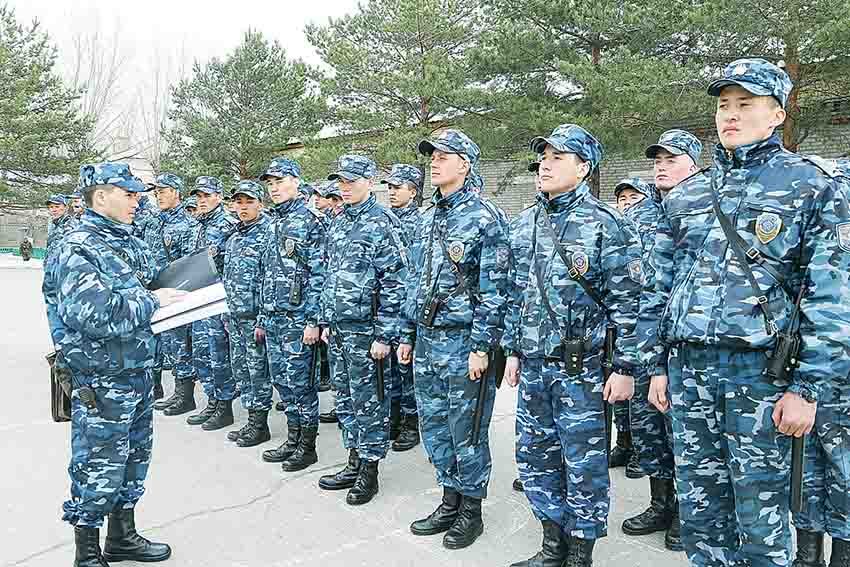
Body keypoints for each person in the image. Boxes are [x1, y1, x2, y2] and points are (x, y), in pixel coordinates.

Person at [639, 58, 850, 567]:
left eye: (745, 105)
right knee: (703, 515)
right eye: (723, 106)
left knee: (763, 519)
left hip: (760, 376)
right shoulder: (689, 194)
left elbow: (832, 298)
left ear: (777, 114)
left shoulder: (812, 185)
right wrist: (656, 365)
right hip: (689, 373)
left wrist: (808, 389)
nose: (729, 116)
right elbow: (659, 287)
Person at [501, 125, 641, 567]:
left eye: (559, 156)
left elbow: (630, 305)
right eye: (544, 154)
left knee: (584, 463)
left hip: (582, 370)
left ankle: (581, 553)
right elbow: (514, 293)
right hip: (535, 366)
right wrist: (513, 349)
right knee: (535, 456)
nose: (545, 162)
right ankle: (551, 547)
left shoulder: (607, 223)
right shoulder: (525, 223)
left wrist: (625, 367)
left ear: (584, 167)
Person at [53, 162, 185, 566]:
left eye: (137, 194)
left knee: (133, 457)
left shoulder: (127, 240)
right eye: (127, 194)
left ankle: (122, 536)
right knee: (98, 464)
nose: (136, 201)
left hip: (137, 367)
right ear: (100, 195)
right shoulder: (78, 246)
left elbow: (146, 285)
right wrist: (153, 301)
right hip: (101, 374)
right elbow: (91, 315)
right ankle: (87, 553)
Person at [398, 129, 510, 550]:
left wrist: (482, 346)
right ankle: (448, 499)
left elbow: (496, 289)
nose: (434, 161)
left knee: (467, 431)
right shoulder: (427, 218)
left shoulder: (485, 216)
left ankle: (470, 511)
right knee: (435, 425)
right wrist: (409, 332)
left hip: (464, 343)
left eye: (444, 156)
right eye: (432, 156)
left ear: (465, 163)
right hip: (427, 340)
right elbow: (416, 281)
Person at [621, 129, 703, 551]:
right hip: (644, 340)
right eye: (657, 159)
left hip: (687, 342)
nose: (662, 165)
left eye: (671, 158)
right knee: (649, 426)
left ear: (693, 163)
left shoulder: (705, 207)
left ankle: (690, 512)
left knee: (685, 434)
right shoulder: (638, 215)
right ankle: (661, 503)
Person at [317, 155, 408, 506]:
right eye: (341, 181)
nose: (345, 187)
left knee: (370, 402)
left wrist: (385, 334)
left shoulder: (382, 222)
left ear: (370, 181)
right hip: (339, 329)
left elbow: (397, 282)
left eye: (352, 181)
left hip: (367, 332)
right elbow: (328, 275)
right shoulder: (338, 222)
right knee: (345, 398)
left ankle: (370, 470)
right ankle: (353, 460)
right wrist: (325, 319)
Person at [791, 159, 850, 567]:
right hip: (811, 358)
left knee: (844, 465)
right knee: (806, 460)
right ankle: (806, 553)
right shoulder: (825, 192)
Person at [255, 158, 326, 470]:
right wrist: (261, 316)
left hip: (298, 319)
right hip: (273, 318)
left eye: (280, 181)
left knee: (301, 384)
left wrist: (313, 320)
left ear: (296, 181)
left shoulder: (311, 221)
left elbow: (320, 275)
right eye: (270, 183)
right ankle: (293, 438)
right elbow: (265, 273)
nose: (274, 188)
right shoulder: (272, 222)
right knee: (282, 382)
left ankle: (307, 446)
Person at [221, 180, 274, 447]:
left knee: (257, 372)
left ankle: (260, 425)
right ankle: (251, 421)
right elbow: (227, 277)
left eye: (249, 202)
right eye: (238, 202)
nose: (243, 207)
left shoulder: (268, 234)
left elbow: (269, 280)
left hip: (254, 318)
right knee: (241, 369)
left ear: (260, 204)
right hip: (235, 316)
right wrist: (226, 313)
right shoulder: (234, 236)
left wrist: (263, 319)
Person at [144, 173, 201, 416]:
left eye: (163, 191)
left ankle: (185, 395)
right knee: (167, 344)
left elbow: (188, 264)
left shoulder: (188, 225)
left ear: (176, 192)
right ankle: (176, 393)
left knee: (180, 345)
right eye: (156, 192)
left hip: (176, 293)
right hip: (155, 292)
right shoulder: (155, 221)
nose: (159, 196)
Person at [186, 176, 240, 431]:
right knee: (203, 354)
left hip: (219, 301)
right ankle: (212, 401)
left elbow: (233, 268)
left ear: (219, 196)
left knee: (220, 356)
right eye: (199, 197)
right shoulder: (199, 225)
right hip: (200, 300)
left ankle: (225, 407)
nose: (202, 201)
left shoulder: (229, 224)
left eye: (207, 196)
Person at [381, 163, 423, 452]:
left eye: (398, 187)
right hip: (386, 309)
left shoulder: (420, 223)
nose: (392, 192)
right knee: (389, 370)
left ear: (414, 191)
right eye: (390, 187)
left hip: (407, 309)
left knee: (407, 369)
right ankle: (393, 418)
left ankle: (411, 423)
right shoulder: (385, 220)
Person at [42, 194, 78, 347]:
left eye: (57, 206)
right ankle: (60, 348)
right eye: (51, 207)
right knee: (53, 313)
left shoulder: (70, 224)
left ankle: (68, 349)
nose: (53, 210)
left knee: (66, 314)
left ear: (65, 207)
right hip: (52, 276)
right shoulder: (54, 225)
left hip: (65, 277)